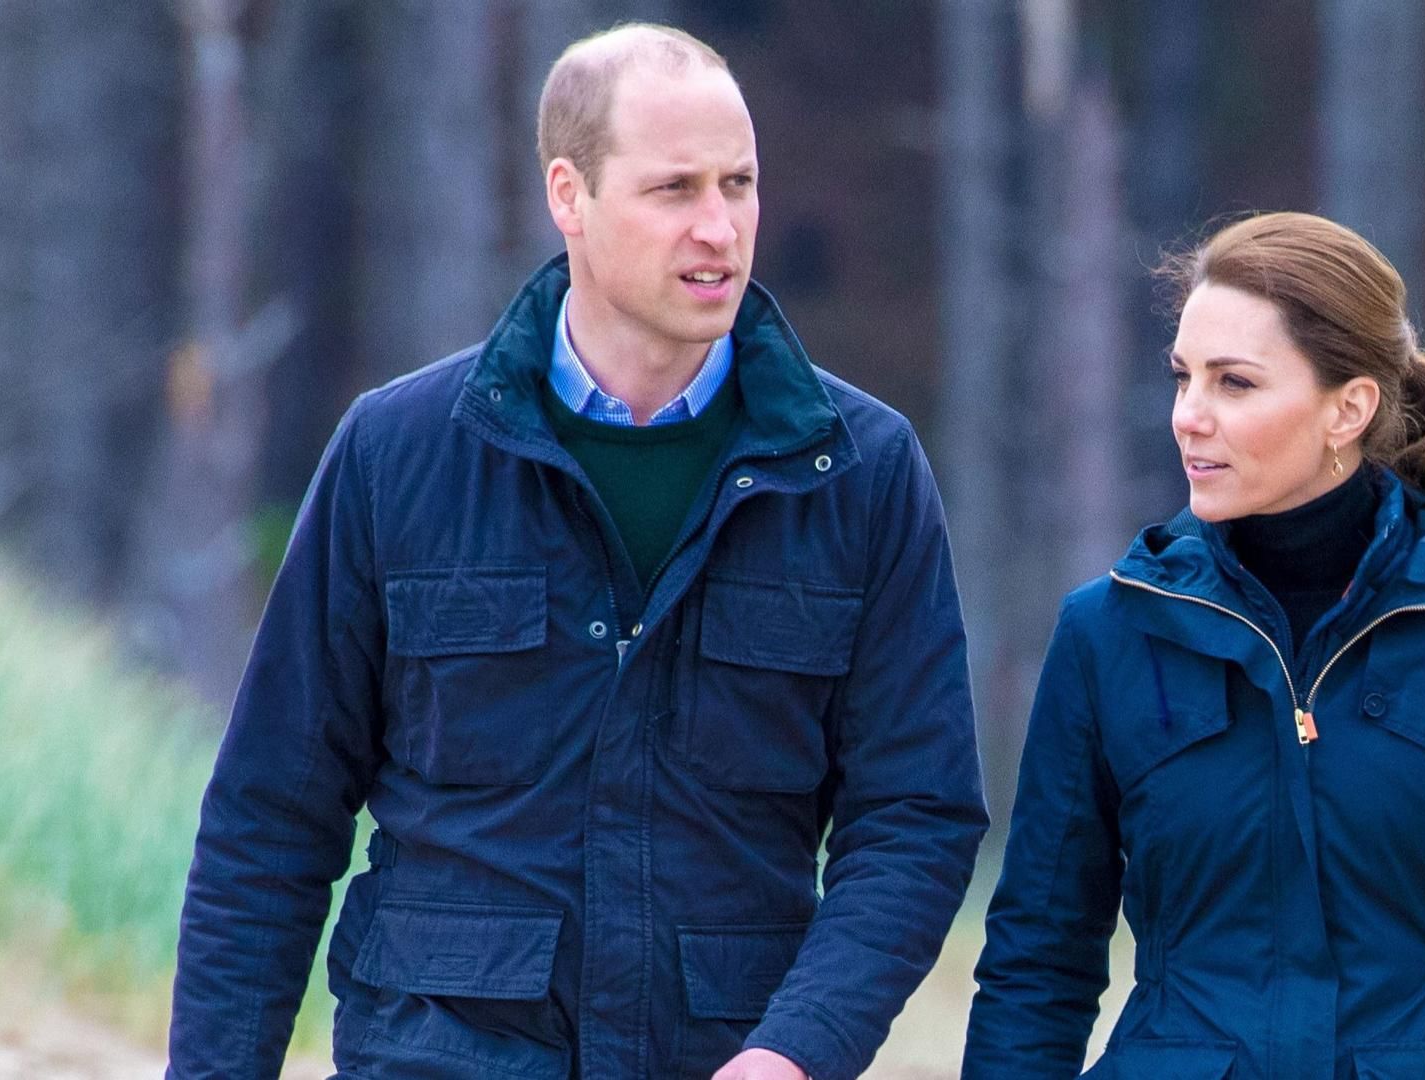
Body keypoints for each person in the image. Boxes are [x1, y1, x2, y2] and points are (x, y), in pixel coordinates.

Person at [167, 23, 987, 1080]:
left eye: (739, 184)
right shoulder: (397, 451)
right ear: (570, 196)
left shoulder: (860, 471)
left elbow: (915, 820)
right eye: (674, 189)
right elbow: (271, 816)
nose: (719, 228)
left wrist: (797, 1049)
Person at [961, 212, 1425, 1079]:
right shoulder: (1107, 634)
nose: (1187, 417)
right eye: (1182, 378)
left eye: (1234, 384)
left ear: (1348, 409)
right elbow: (1038, 964)